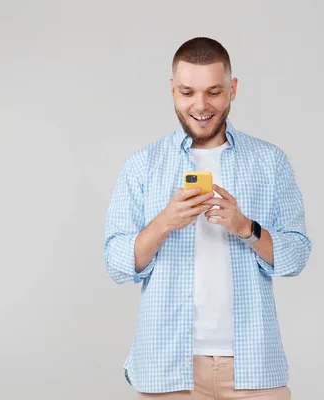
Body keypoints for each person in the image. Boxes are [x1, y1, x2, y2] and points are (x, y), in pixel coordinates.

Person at [103, 36, 311, 399]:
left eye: (214, 92)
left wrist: (245, 228)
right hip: (167, 365)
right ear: (172, 91)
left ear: (232, 89)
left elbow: (295, 256)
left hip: (253, 365)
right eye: (187, 92)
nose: (200, 105)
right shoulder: (143, 164)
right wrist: (165, 221)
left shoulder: (270, 161)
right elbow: (117, 263)